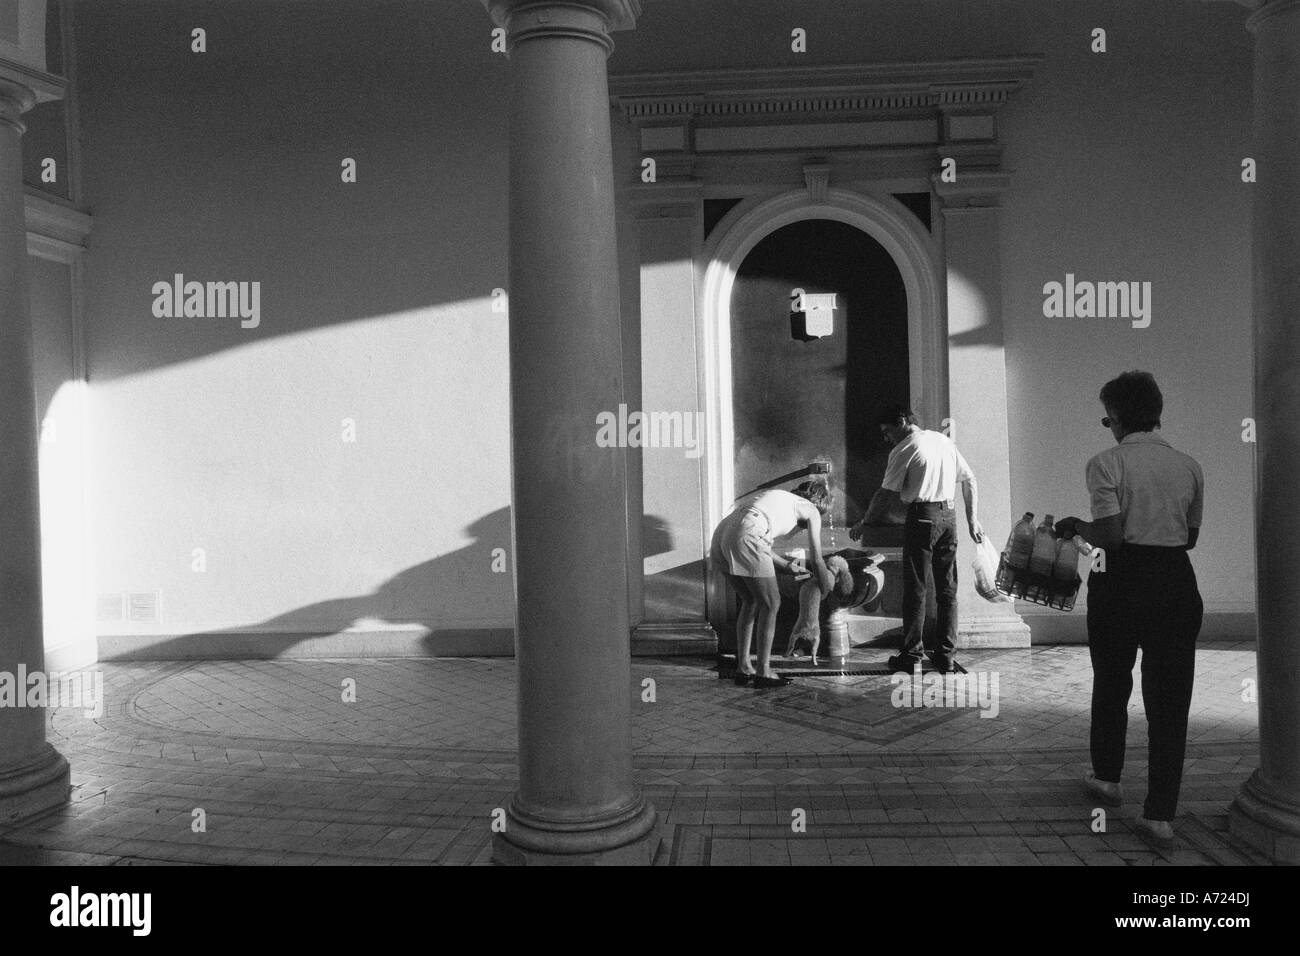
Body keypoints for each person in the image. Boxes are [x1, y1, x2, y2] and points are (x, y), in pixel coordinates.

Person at [1055, 371, 1204, 849]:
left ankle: (1107, 777)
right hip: (1176, 580)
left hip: (1120, 579)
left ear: (1117, 417)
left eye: (1107, 419)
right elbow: (1192, 537)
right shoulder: (1189, 465)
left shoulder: (1106, 463)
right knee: (1170, 699)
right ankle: (1159, 816)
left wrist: (1075, 524)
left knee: (1113, 679)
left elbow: (1112, 535)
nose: (1108, 427)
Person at [850, 404, 982, 674]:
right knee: (947, 590)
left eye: (887, 431)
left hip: (922, 518)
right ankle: (945, 655)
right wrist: (972, 520)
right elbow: (969, 480)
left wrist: (865, 522)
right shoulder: (942, 440)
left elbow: (885, 494)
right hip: (949, 518)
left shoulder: (905, 447)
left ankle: (911, 656)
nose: (886, 437)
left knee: (916, 589)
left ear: (901, 421)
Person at [710, 480, 836, 687]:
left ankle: (743, 667)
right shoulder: (812, 510)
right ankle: (763, 671)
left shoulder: (776, 498)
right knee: (771, 603)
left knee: (750, 601)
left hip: (722, 534)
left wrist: (788, 566)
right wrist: (825, 587)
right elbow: (817, 558)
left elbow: (756, 541)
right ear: (819, 504)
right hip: (748, 533)